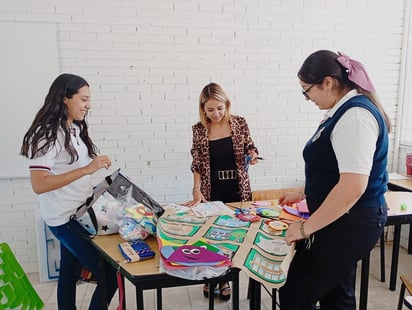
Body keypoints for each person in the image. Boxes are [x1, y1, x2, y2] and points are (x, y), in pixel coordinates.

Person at [278, 50, 391, 310]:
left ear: (327, 83)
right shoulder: (345, 112)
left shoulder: (356, 117)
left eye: (306, 90)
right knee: (336, 295)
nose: (307, 98)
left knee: (296, 292)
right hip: (344, 220)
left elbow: (352, 187)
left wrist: (305, 229)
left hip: (349, 222)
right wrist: (305, 192)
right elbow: (336, 170)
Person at [20, 73, 118, 310]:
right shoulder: (47, 134)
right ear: (65, 98)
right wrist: (87, 169)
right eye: (84, 99)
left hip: (77, 213)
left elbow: (68, 167)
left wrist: (92, 165)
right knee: (111, 277)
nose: (88, 105)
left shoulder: (72, 128)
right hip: (65, 219)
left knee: (68, 273)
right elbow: (39, 184)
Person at [184, 82, 260, 300]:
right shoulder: (199, 130)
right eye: (210, 110)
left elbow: (250, 146)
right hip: (212, 190)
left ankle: (227, 278)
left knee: (234, 236)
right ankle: (213, 278)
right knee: (211, 237)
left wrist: (253, 154)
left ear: (226, 104)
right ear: (202, 109)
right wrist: (196, 189)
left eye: (220, 108)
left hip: (238, 190)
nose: (216, 114)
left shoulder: (239, 123)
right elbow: (197, 163)